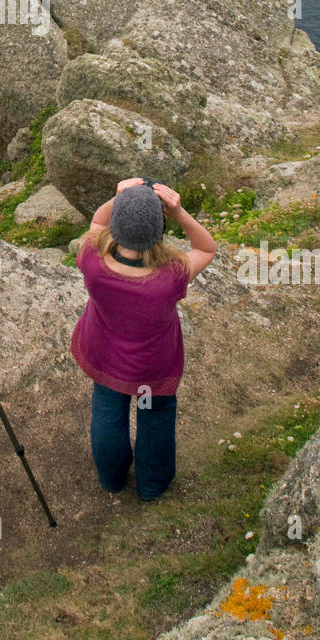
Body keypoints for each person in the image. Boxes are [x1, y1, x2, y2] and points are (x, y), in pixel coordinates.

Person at [71, 177, 216, 502]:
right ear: (158, 230)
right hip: (151, 369)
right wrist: (178, 212)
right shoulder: (171, 276)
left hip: (106, 358)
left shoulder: (92, 260)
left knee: (108, 412)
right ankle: (152, 487)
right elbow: (206, 248)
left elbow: (97, 221)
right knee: (154, 417)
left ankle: (112, 479)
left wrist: (119, 196)